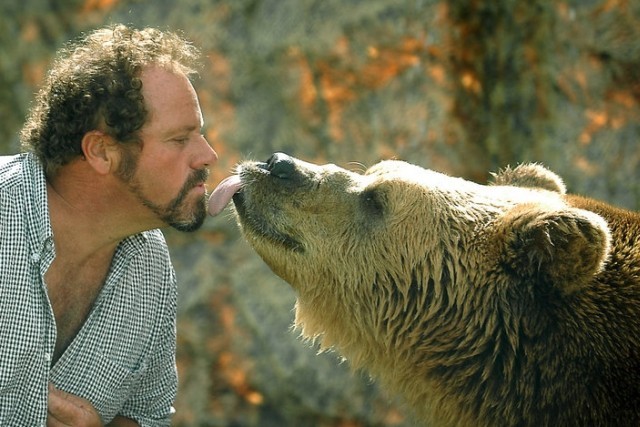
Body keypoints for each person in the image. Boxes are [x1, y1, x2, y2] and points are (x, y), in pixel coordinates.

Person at [0, 24, 217, 426]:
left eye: (199, 135)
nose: (208, 155)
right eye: (179, 139)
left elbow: (148, 415)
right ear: (102, 151)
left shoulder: (148, 263)